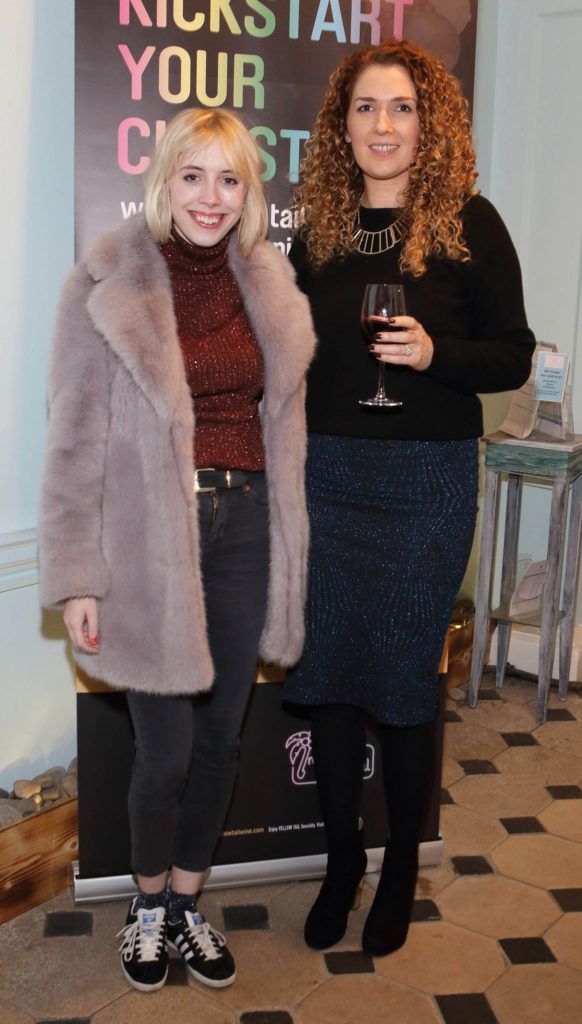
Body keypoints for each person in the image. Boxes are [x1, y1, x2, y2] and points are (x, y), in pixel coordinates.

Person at [38, 107, 315, 992]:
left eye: (229, 179)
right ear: (164, 179)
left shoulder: (268, 282)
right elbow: (73, 440)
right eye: (193, 175)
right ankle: (146, 906)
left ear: (250, 194)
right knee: (162, 750)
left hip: (246, 529)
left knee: (222, 743)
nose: (210, 196)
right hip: (151, 540)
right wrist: (78, 574)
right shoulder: (103, 281)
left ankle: (189, 904)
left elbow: (287, 426)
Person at [283, 40, 535, 957]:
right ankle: (341, 861)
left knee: (402, 681)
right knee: (333, 680)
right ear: (340, 126)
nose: (382, 126)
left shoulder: (471, 223)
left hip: (426, 481)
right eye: (364, 108)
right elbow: (285, 350)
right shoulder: (315, 230)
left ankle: (396, 869)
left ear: (428, 124)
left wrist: (436, 356)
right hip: (327, 477)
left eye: (400, 109)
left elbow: (510, 352)